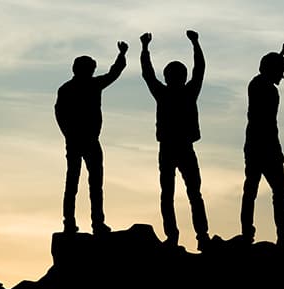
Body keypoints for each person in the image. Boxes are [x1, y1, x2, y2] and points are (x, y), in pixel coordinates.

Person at [140, 30, 213, 251]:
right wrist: (195, 44)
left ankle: (183, 236)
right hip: (179, 147)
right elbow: (199, 69)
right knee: (189, 194)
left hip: (174, 147)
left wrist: (145, 48)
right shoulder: (186, 92)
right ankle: (196, 236)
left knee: (176, 194)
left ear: (168, 77)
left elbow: (148, 74)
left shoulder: (168, 93)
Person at [55, 41, 130, 234]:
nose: (91, 72)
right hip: (82, 140)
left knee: (86, 183)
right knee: (81, 183)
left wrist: (122, 55)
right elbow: (60, 114)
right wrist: (69, 134)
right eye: (90, 69)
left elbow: (114, 73)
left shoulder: (77, 87)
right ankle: (78, 223)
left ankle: (90, 222)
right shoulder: (84, 86)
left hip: (85, 141)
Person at [240, 42, 284, 244]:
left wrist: (282, 53)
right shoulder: (262, 87)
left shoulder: (260, 84)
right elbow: (268, 124)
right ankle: (276, 233)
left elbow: (270, 66)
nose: (283, 76)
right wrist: (281, 55)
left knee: (262, 190)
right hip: (263, 146)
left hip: (261, 145)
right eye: (281, 72)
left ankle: (265, 233)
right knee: (262, 190)